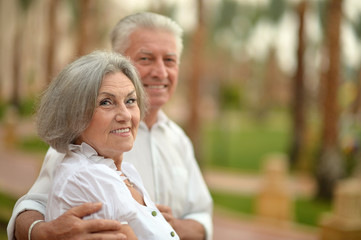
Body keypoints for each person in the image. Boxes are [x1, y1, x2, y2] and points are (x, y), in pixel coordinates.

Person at [8, 12, 213, 240]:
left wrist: (168, 226)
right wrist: (41, 232)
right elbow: (35, 203)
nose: (160, 72)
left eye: (169, 60)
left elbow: (202, 214)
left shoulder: (178, 140)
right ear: (117, 59)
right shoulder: (82, 142)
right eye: (146, 59)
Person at [39, 50, 179, 240]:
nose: (126, 115)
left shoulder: (125, 172)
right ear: (73, 116)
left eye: (130, 101)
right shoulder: (86, 178)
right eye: (106, 102)